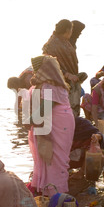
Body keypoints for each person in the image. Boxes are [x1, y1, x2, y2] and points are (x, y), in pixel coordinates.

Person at [27, 55, 75, 196]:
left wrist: (28, 121)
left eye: (37, 69)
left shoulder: (50, 85)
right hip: (56, 121)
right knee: (49, 156)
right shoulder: (48, 84)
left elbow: (44, 109)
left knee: (57, 158)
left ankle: (57, 193)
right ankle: (49, 192)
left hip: (59, 123)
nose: (36, 73)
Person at [42, 19, 87, 117]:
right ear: (67, 30)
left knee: (72, 109)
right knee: (64, 111)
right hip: (60, 82)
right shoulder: (51, 45)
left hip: (71, 80)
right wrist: (67, 74)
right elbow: (49, 65)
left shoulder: (65, 41)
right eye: (71, 30)